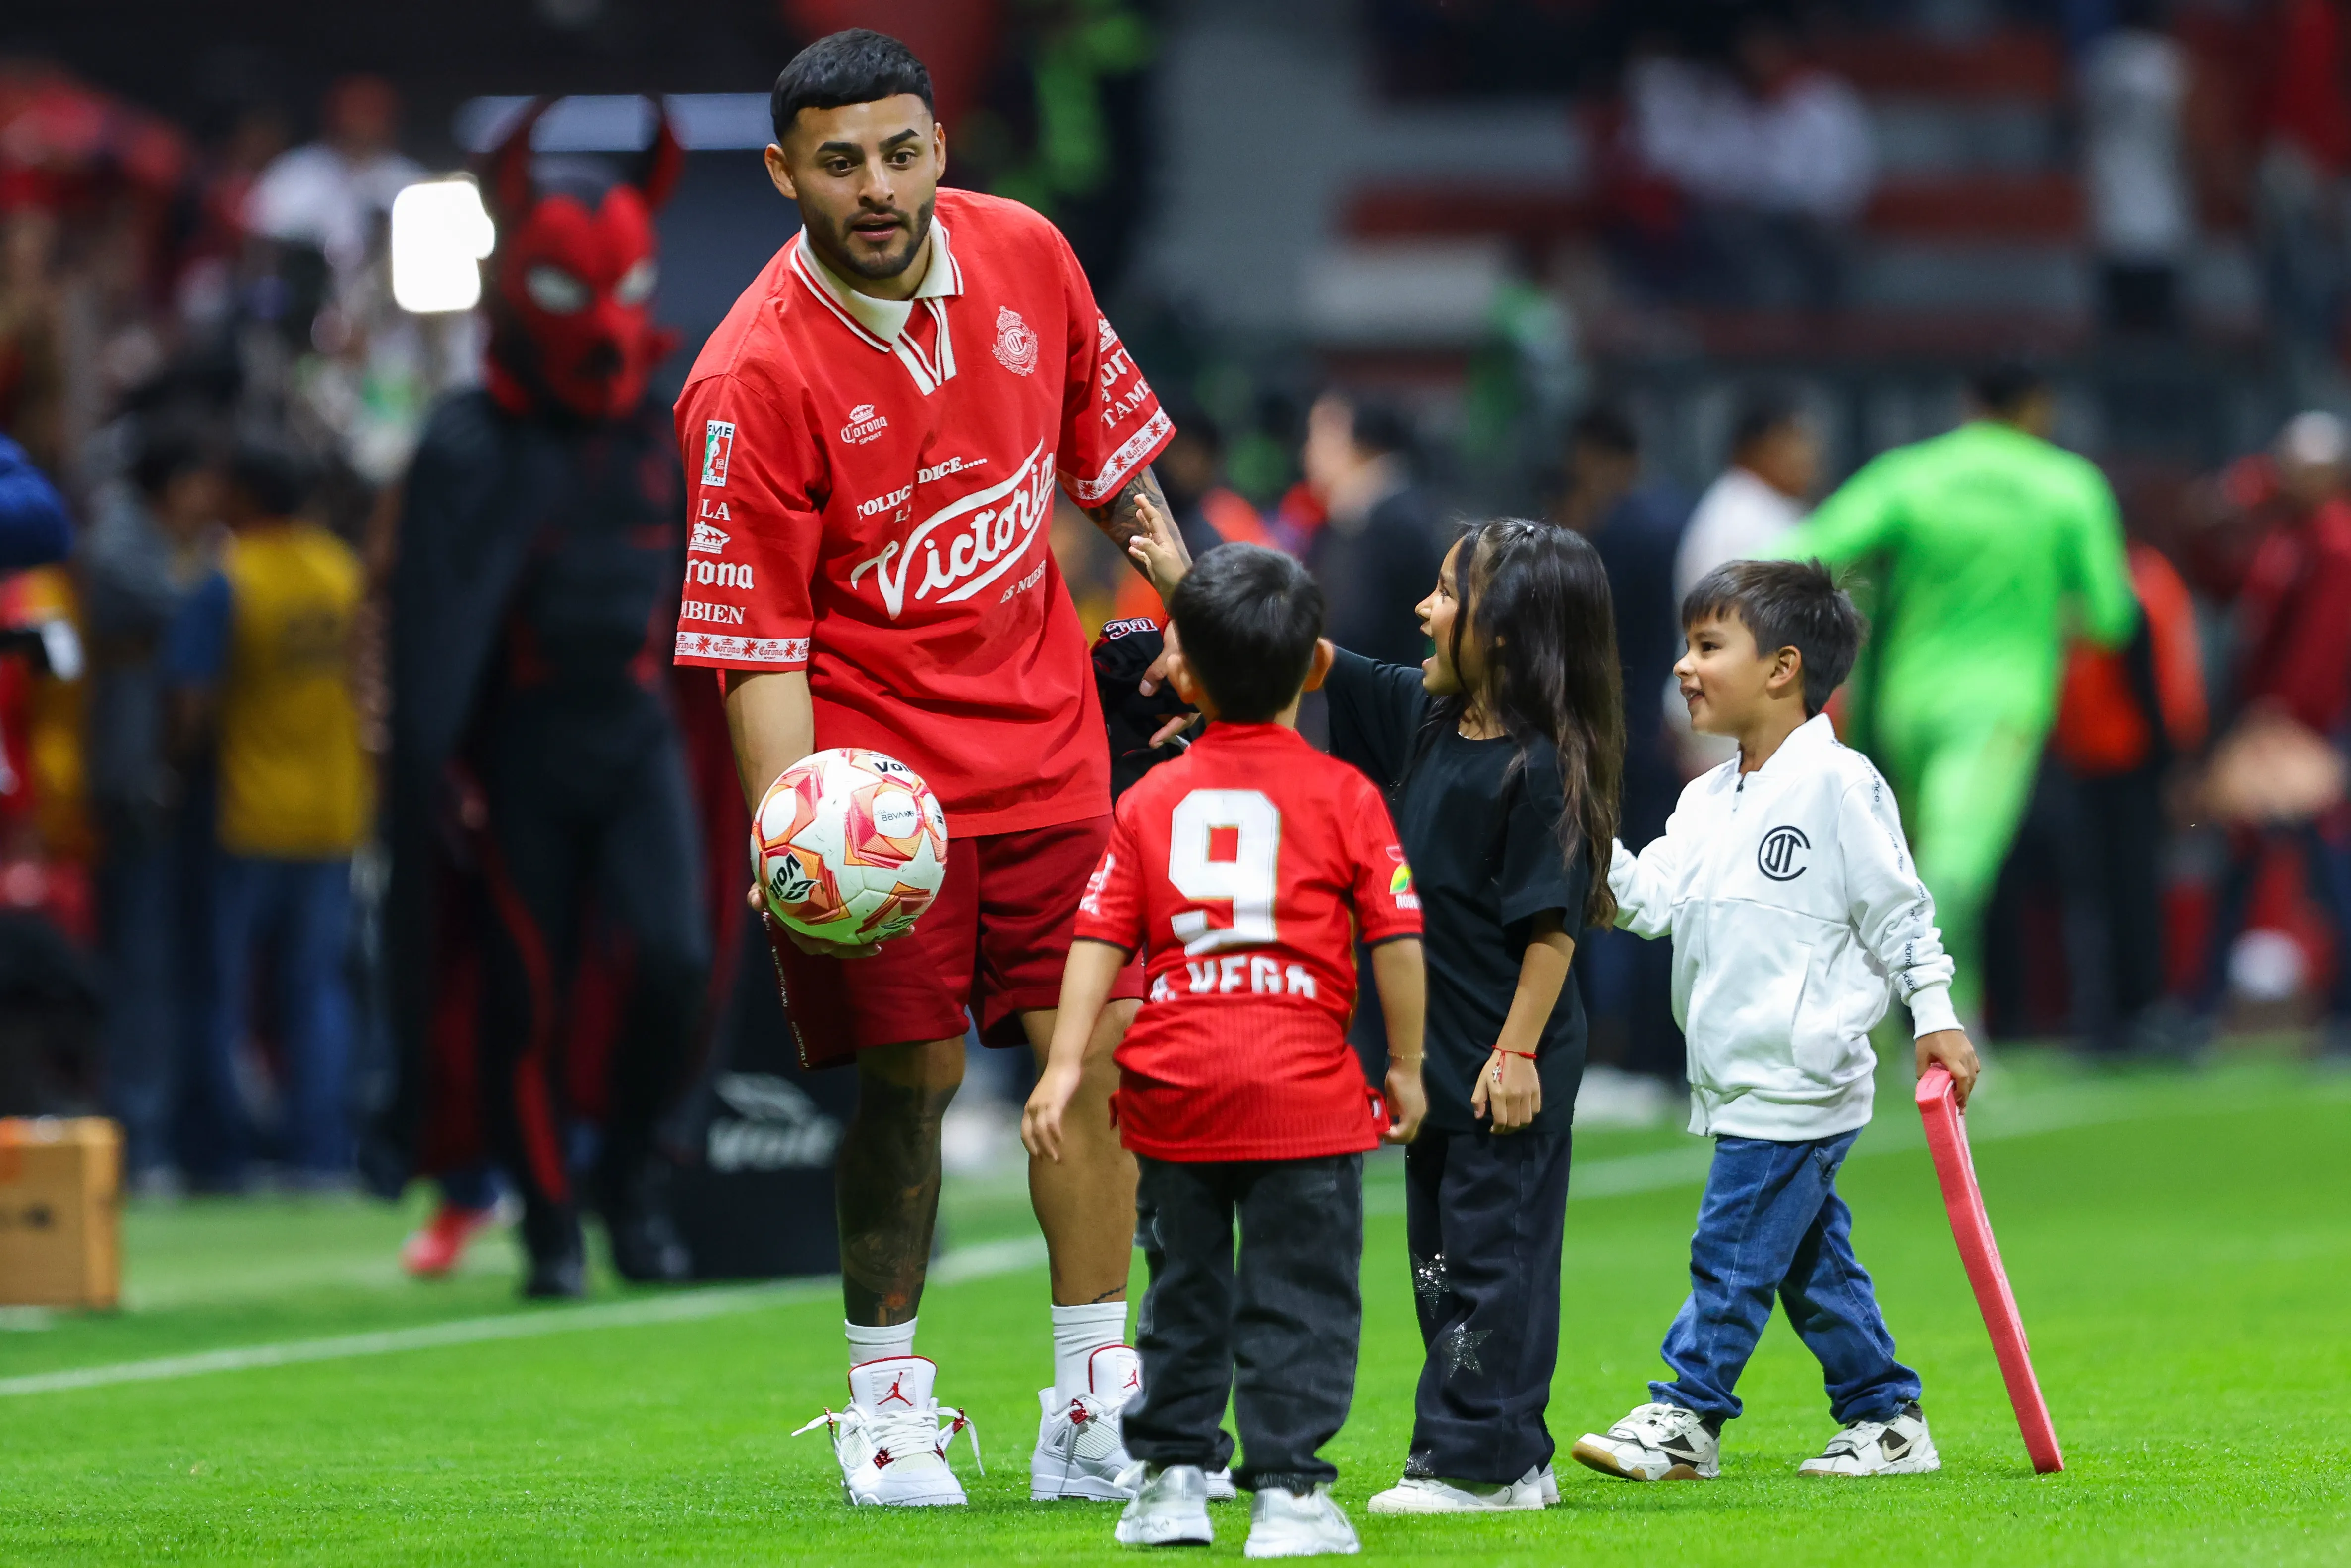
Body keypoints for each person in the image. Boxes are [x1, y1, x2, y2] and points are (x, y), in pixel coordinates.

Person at [671, 31, 1188, 1506]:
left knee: (1086, 1063)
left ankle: (1094, 1400)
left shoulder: (1029, 255)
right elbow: (752, 644)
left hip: (1048, 759)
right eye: (839, 162)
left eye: (899, 152)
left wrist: (1201, 625)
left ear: (940, 148)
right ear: (786, 175)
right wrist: (797, 845)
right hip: (876, 795)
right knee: (909, 1083)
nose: (875, 185)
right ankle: (885, 1405)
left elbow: (1117, 470)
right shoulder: (746, 379)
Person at [374, 98, 724, 1296]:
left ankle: (628, 1176)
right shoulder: (472, 442)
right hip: (521, 745)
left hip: (633, 735)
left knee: (675, 958)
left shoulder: (652, 431)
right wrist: (441, 765)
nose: (605, 325)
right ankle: (550, 1221)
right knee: (528, 986)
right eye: (576, 294)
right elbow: (436, 623)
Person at [1024, 541, 1426, 1557]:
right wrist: (1409, 1066)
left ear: (1185, 677)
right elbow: (1395, 941)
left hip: (1176, 1090)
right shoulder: (1346, 797)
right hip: (1303, 1095)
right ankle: (1288, 1493)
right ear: (1311, 668)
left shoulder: (1146, 801)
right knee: (1304, 1294)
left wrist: (1066, 1063)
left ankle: (1169, 1481)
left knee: (1183, 1292)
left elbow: (1099, 938)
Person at [1575, 558, 1982, 1484]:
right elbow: (1648, 901)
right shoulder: (1706, 797)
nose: (1684, 665)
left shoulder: (1841, 784)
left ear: (1782, 668)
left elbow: (1899, 913)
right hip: (1734, 1071)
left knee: (1730, 1252)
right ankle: (1885, 1419)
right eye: (1686, 643)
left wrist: (1935, 1016)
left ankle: (1684, 1414)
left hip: (1802, 1072)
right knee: (1807, 1263)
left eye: (1708, 645)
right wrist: (1579, 826)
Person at [1314, 518, 1623, 1513]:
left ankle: (1474, 1463)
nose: (1421, 608)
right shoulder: (1429, 721)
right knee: (1445, 1267)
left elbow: (1551, 929)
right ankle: (1512, 1453)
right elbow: (1306, 656)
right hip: (1446, 1061)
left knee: (1497, 1262)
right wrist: (1186, 579)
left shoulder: (1542, 765)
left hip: (1505, 1060)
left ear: (1499, 631)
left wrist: (1517, 1051)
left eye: (1445, 593)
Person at [1775, 364, 2138, 1027]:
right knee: (1954, 867)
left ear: (1970, 402)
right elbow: (2112, 614)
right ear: (2039, 407)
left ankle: (1930, 1017)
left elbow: (1797, 552)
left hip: (1903, 699)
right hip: (2002, 700)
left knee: (1911, 860)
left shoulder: (1910, 475)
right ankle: (1922, 1018)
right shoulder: (2067, 485)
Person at [163, 438, 365, 1189]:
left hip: (246, 814)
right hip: (332, 813)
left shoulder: (227, 576)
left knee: (222, 993)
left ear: (245, 496)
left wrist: (174, 770)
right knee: (317, 992)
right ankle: (320, 1151)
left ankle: (220, 1155)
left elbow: (190, 698)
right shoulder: (342, 572)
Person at [80, 422, 221, 1185]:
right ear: (172, 484)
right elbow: (201, 610)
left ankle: (188, 1133)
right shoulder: (119, 545)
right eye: (202, 481)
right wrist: (222, 592)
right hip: (134, 777)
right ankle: (140, 1134)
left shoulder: (195, 547)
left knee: (191, 962)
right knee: (143, 961)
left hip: (193, 781)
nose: (213, 498)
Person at [1556, 405, 1689, 1111]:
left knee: (1608, 886)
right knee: (1660, 887)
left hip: (1611, 732)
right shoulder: (1676, 519)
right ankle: (1660, 1050)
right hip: (1661, 729)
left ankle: (1622, 1049)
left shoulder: (1610, 533)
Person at [1299, 390, 1444, 670]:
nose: (1306, 451)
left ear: (1364, 444)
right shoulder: (1380, 512)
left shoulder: (1389, 524)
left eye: (1319, 436)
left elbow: (1356, 631)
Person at [1108, 401, 1273, 627]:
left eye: (1186, 454)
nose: (1174, 466)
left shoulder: (1228, 518)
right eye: (1167, 455)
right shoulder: (1148, 520)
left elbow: (1265, 608)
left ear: (1209, 459)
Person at [1675, 389, 1816, 607]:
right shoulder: (1740, 516)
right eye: (1792, 440)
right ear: (1755, 448)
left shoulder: (1761, 503)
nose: (1806, 455)